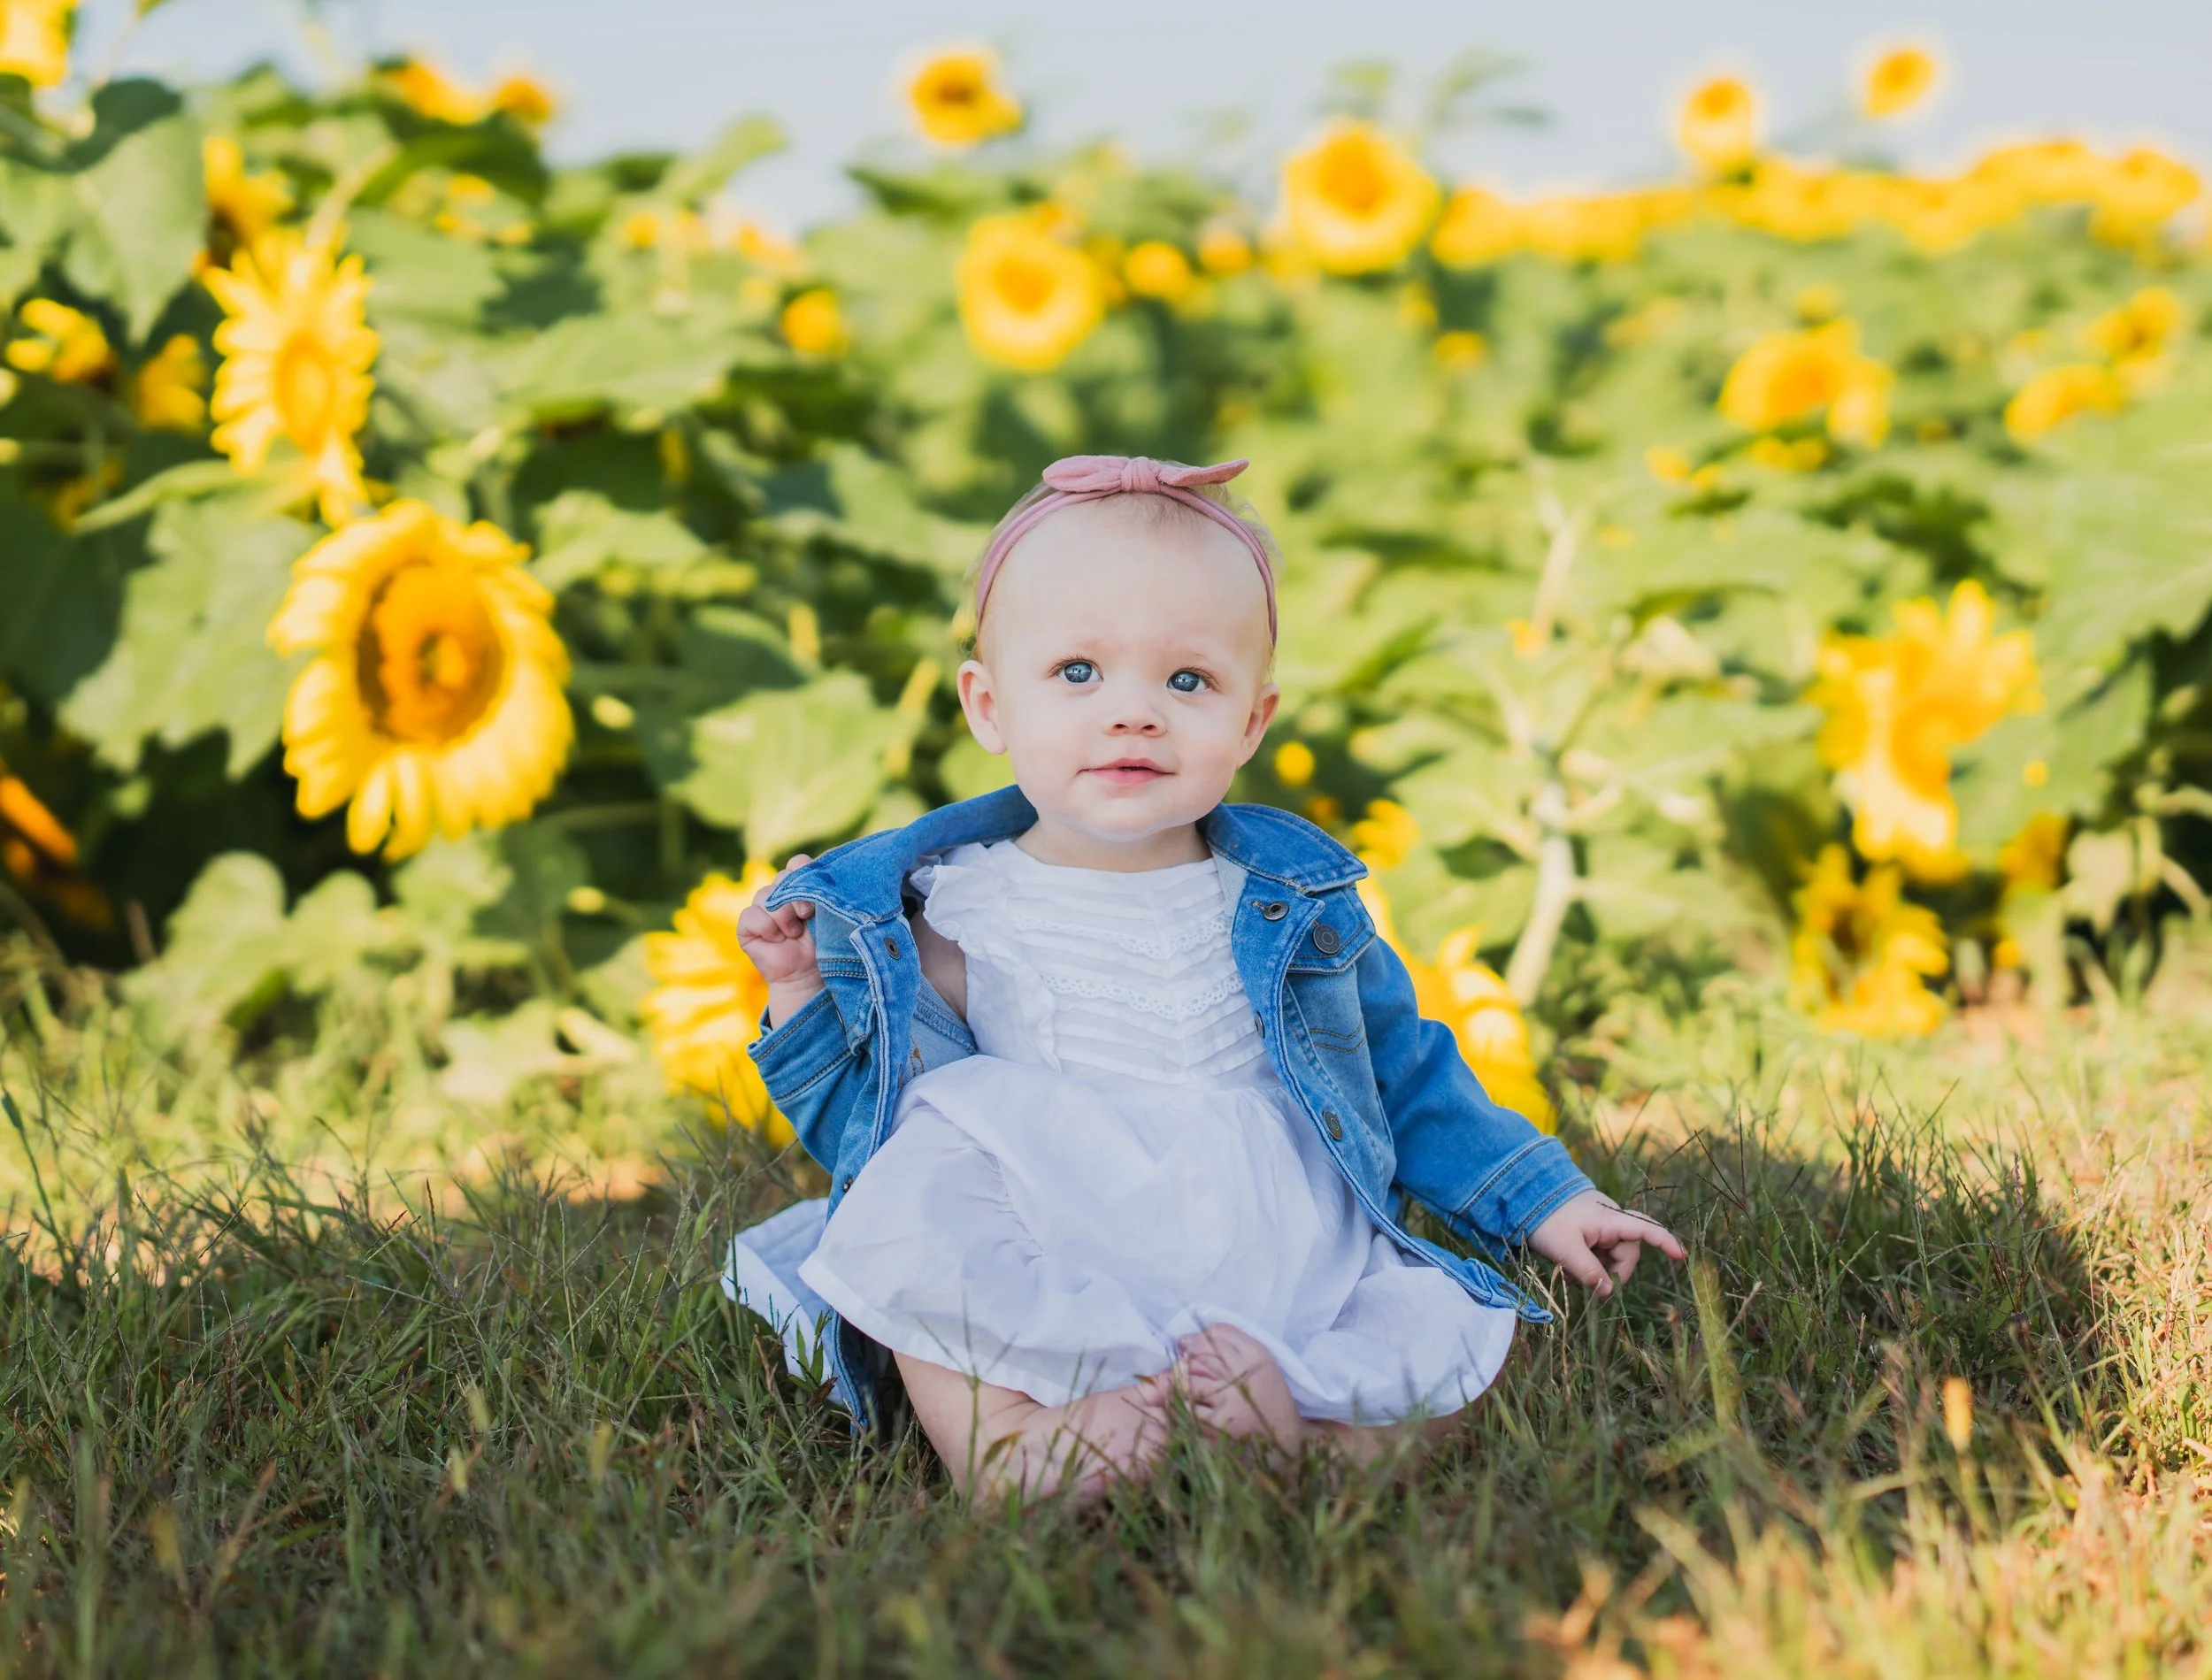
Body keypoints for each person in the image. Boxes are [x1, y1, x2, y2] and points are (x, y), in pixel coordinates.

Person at [728, 455, 1684, 1501]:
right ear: (988, 707)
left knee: (1448, 1368)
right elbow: (863, 1110)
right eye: (1078, 674)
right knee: (920, 1202)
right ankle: (1009, 1445)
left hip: (1261, 1229)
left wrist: (1546, 1199)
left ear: (1251, 721)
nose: (1134, 712)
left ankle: (1300, 1439)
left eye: (1187, 681)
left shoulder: (1287, 904)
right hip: (1052, 1221)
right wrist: (796, 987)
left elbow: (1407, 1076)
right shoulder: (949, 908)